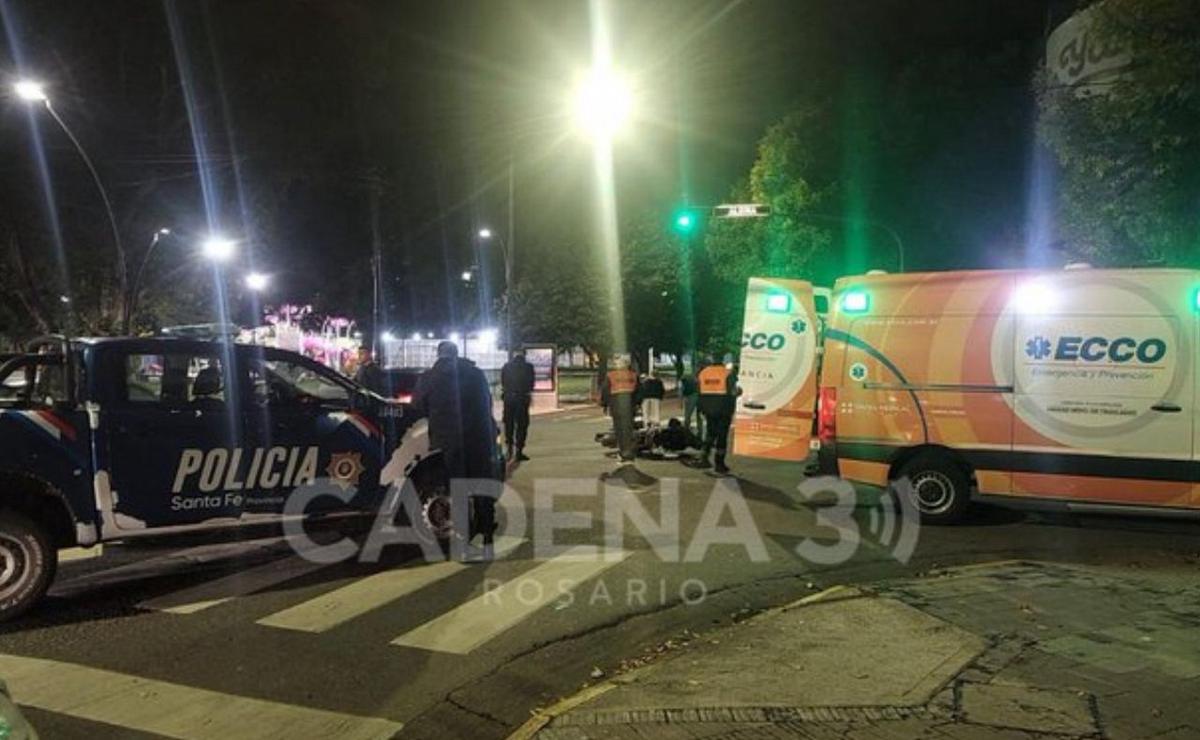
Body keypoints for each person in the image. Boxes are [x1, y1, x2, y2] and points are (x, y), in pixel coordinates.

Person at [411, 341, 500, 559]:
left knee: (458, 490)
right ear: (457, 354)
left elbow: (416, 407)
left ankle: (463, 543)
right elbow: (487, 403)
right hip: (479, 439)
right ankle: (488, 539)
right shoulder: (476, 374)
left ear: (438, 355)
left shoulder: (428, 378)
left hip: (448, 442)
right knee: (482, 488)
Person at [697, 353, 740, 475]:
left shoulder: (703, 373)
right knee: (722, 436)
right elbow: (733, 391)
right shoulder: (728, 373)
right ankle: (719, 464)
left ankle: (703, 458)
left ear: (711, 360)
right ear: (723, 361)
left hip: (708, 409)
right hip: (723, 409)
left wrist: (701, 408)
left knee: (710, 433)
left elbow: (699, 391)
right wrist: (739, 392)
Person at [500, 349, 536, 462]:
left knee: (509, 424)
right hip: (522, 398)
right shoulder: (528, 367)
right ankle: (519, 451)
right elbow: (531, 383)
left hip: (509, 398)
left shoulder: (506, 366)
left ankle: (509, 449)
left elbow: (503, 381)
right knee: (522, 425)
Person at [604, 354, 638, 463]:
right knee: (629, 429)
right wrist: (637, 403)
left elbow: (606, 390)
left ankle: (623, 452)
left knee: (619, 429)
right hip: (629, 404)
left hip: (616, 403)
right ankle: (630, 451)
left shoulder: (611, 375)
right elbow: (638, 390)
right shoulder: (633, 375)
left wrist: (604, 404)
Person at [680, 367, 702, 438]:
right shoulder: (698, 379)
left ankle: (686, 429)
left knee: (687, 414)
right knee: (699, 415)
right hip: (698, 396)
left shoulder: (684, 379)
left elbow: (681, 390)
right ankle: (700, 431)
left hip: (689, 397)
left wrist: (680, 401)